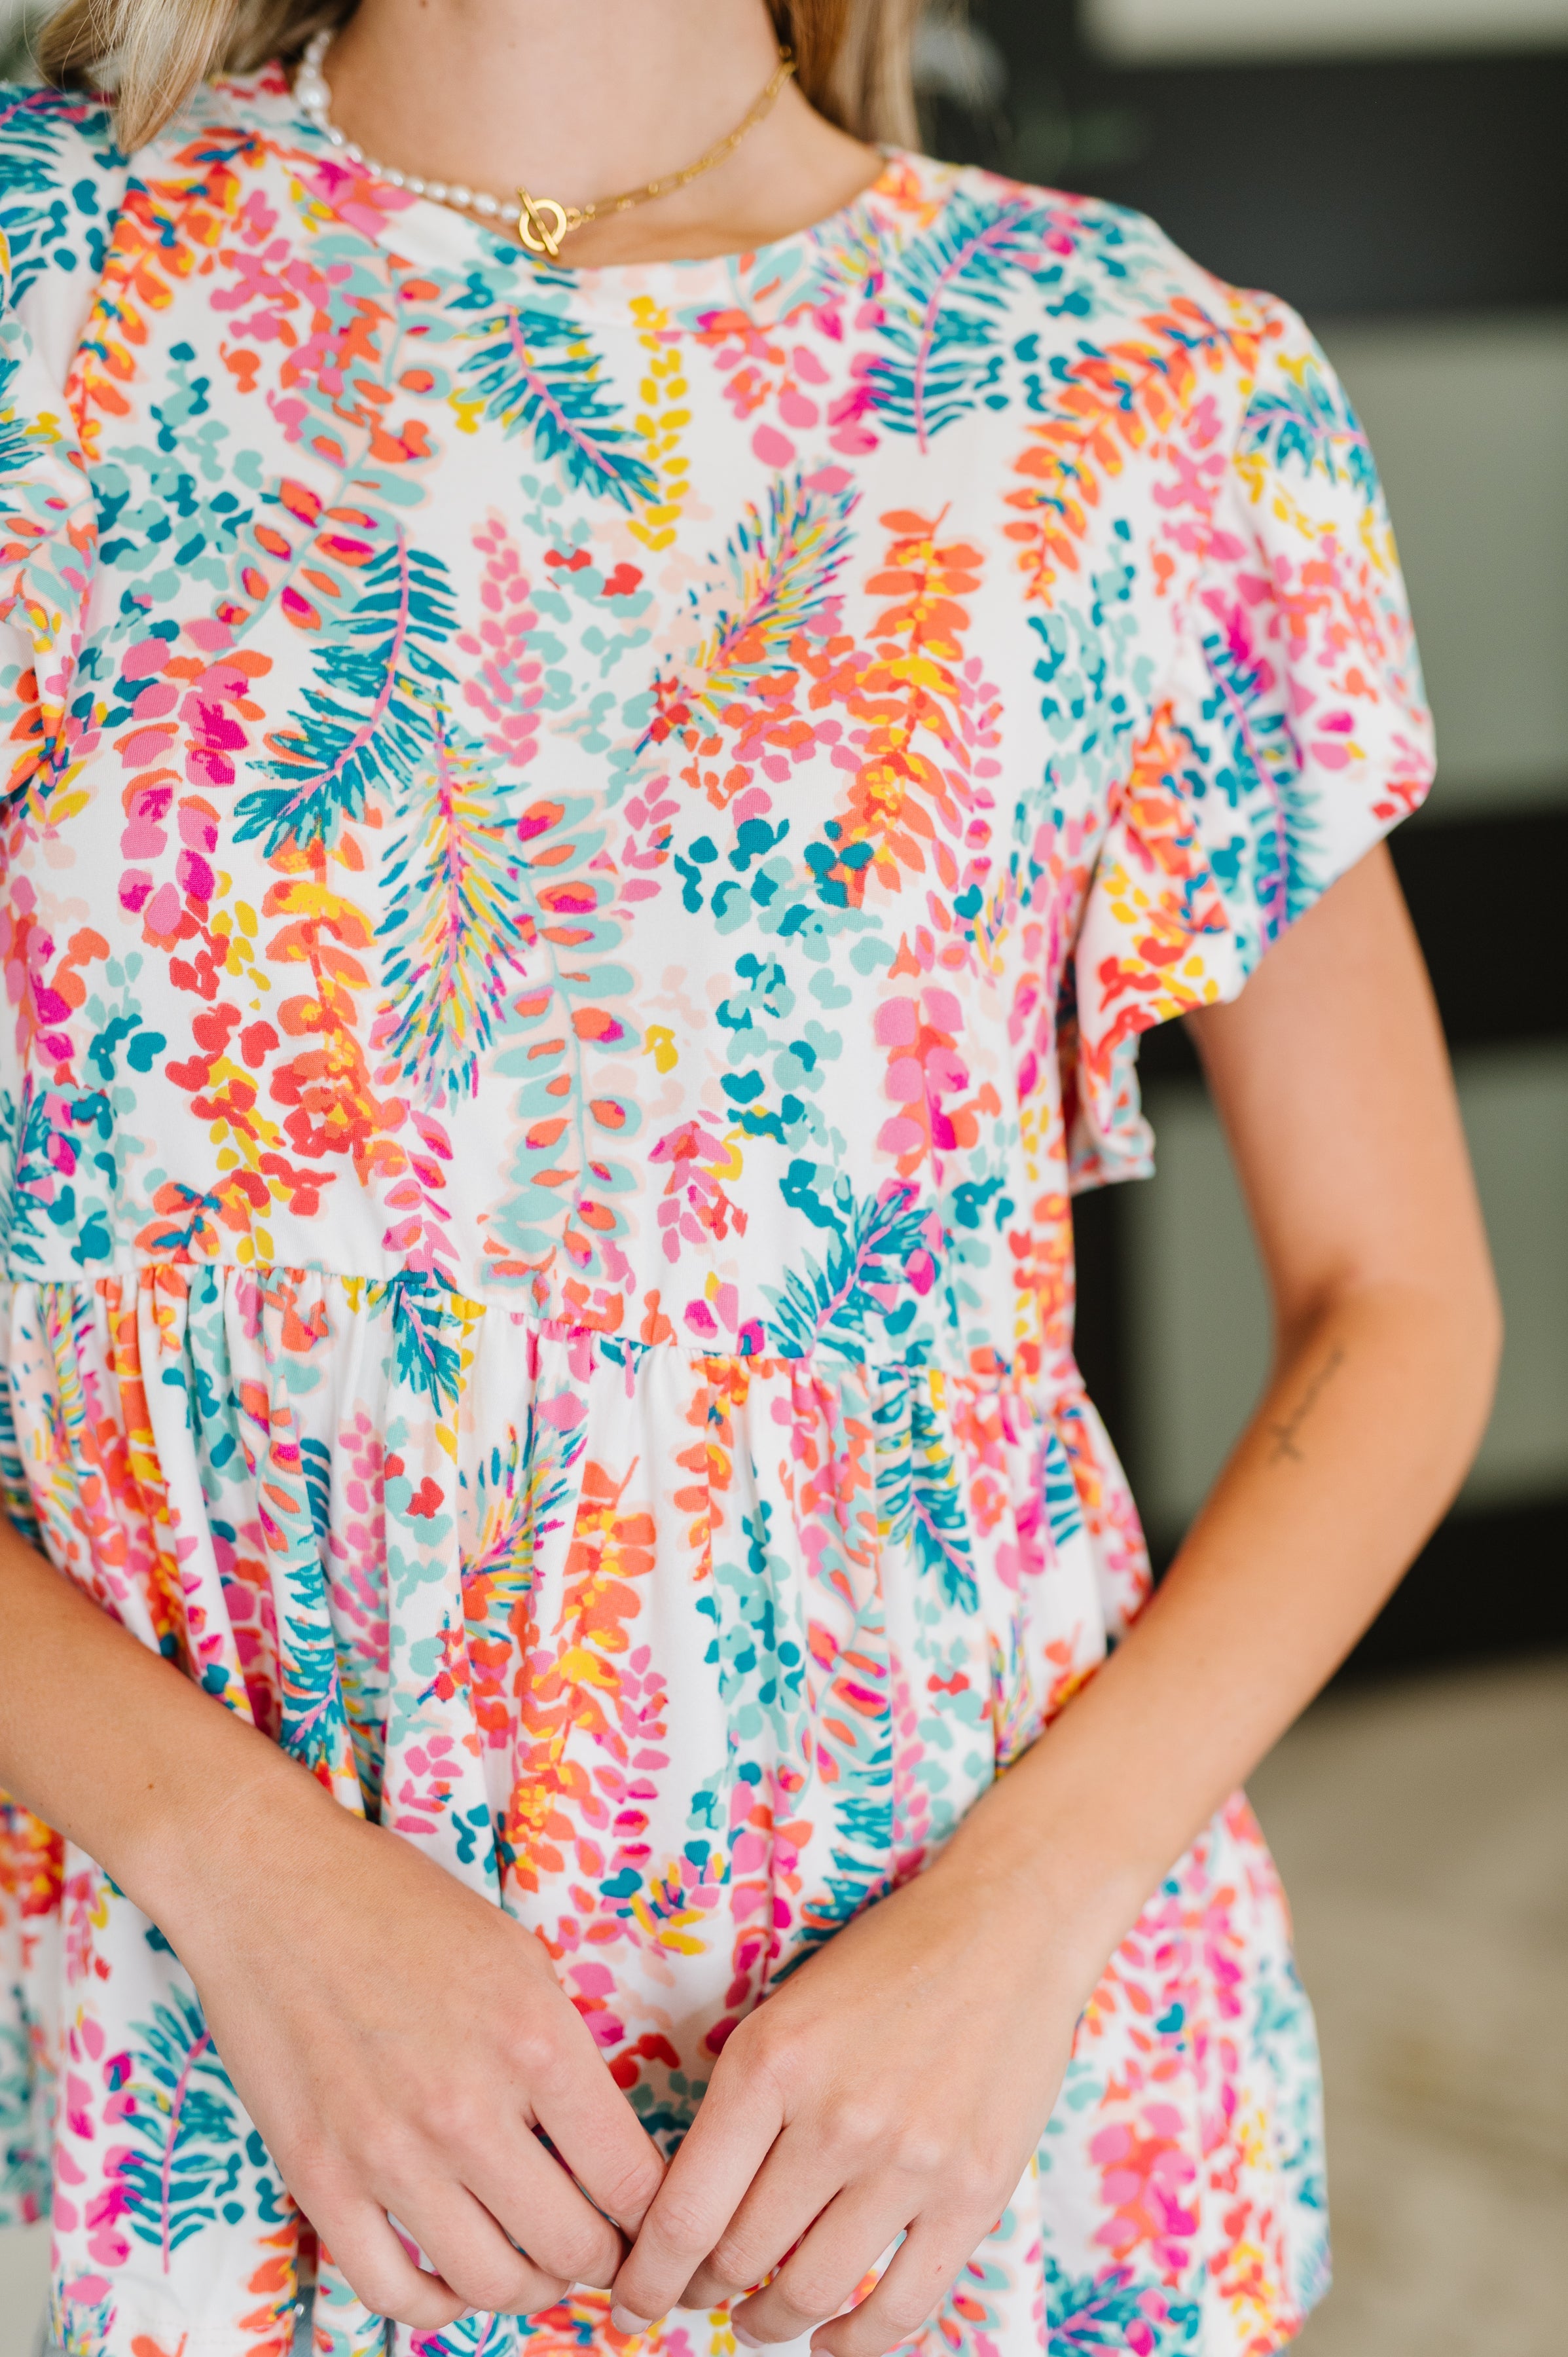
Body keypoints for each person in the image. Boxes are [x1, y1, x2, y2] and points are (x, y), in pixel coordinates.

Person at [0, 2, 1500, 2353]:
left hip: (939, 2099)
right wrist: (236, 1870)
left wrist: (1024, 1924)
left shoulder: (1123, 380)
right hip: (191, 2050)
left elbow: (1398, 1301)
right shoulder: (46, 280)